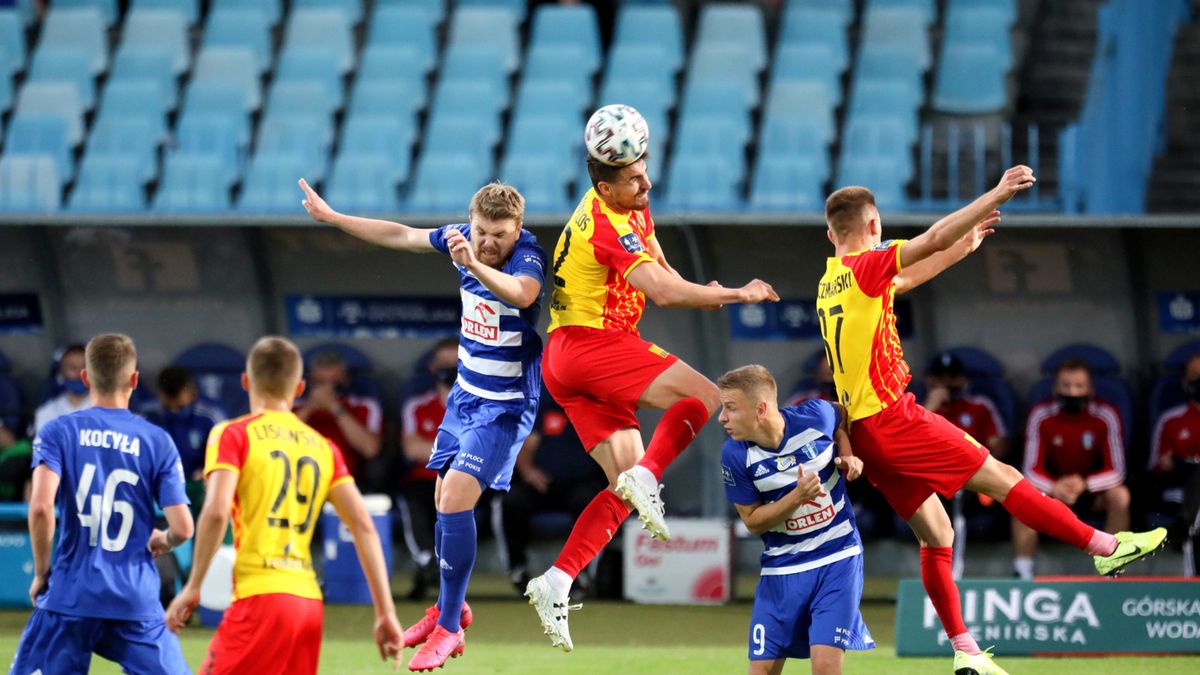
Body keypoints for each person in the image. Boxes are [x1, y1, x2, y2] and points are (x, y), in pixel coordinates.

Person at [816, 169, 1165, 675]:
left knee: (937, 536)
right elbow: (930, 239)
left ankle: (966, 651)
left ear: (831, 234)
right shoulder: (870, 264)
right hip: (895, 417)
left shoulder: (832, 280)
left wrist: (960, 250)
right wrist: (995, 196)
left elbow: (908, 276)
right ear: (875, 225)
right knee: (1005, 480)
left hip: (867, 436)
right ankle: (1106, 546)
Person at [523, 144, 778, 652]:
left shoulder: (629, 207)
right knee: (709, 397)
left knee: (622, 489)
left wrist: (699, 290)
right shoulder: (607, 223)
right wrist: (735, 294)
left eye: (645, 174)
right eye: (635, 180)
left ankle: (557, 579)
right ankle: (648, 477)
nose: (647, 185)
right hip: (593, 343)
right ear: (604, 187)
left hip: (568, 360)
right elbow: (660, 291)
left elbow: (667, 273)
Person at [299, 179, 545, 671]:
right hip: (465, 397)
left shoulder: (526, 257)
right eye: (480, 231)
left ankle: (450, 627)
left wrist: (472, 264)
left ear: (517, 230)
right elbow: (400, 235)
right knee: (439, 497)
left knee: (456, 496)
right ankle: (448, 610)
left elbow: (522, 296)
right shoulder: (461, 239)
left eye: (499, 233)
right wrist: (335, 218)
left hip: (504, 405)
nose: (487, 241)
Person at [164, 336, 403, 673]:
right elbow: (364, 526)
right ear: (300, 386)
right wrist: (385, 611)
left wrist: (193, 586)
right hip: (307, 602)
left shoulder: (233, 434)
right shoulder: (323, 447)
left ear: (246, 381)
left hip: (260, 596)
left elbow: (216, 511)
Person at [10, 333, 194, 674]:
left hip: (70, 594)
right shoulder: (157, 441)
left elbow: (39, 508)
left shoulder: (56, 431)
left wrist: (41, 572)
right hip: (134, 597)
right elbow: (183, 528)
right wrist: (163, 541)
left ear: (86, 377)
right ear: (135, 380)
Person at [718, 365, 873, 675]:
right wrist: (796, 497)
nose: (722, 417)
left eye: (730, 408)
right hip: (781, 569)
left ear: (760, 409)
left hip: (838, 558)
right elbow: (752, 521)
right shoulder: (735, 456)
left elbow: (840, 416)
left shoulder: (815, 415)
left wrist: (848, 453)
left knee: (826, 666)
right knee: (761, 669)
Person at [1015, 360, 1130, 579]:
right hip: (1052, 492)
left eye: (1079, 386)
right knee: (1019, 496)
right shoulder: (1041, 415)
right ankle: (1023, 571)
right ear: (1055, 389)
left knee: (1121, 496)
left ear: (1090, 390)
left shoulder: (1106, 415)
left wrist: (1085, 484)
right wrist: (1054, 487)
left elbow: (1117, 470)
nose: (1072, 391)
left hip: (1093, 492)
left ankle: (1112, 568)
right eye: (1066, 386)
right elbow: (1030, 469)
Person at [500, 391, 608, 595]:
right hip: (543, 484)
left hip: (581, 485)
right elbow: (527, 445)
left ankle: (582, 574)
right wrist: (529, 471)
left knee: (593, 505)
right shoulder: (547, 407)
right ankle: (518, 569)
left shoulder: (597, 409)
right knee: (512, 501)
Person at [397, 342, 457, 600]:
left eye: (456, 365)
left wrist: (432, 448)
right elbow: (411, 449)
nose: (451, 370)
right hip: (425, 480)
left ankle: (452, 574)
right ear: (433, 367)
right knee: (412, 498)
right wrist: (459, 451)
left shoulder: (478, 404)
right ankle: (426, 562)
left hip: (465, 480)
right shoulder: (418, 405)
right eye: (444, 365)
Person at [141, 365, 228, 511]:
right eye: (169, 398)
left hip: (198, 487)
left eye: (177, 398)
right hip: (161, 486)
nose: (174, 405)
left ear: (191, 392)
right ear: (160, 393)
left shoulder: (210, 416)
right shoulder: (148, 415)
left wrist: (208, 469)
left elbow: (225, 451)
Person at [294, 349, 383, 485]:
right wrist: (309, 408)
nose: (327, 389)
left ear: (345, 379)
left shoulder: (362, 405)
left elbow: (370, 449)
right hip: (300, 477)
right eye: (320, 382)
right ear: (310, 380)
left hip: (345, 478)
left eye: (334, 384)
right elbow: (278, 440)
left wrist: (336, 408)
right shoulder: (294, 406)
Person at [1149, 353, 1200, 575]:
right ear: (1185, 382)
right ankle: (1192, 589)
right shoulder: (1171, 419)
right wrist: (1169, 463)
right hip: (1178, 490)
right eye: (1195, 377)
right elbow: (1155, 466)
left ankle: (1186, 524)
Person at [32, 343, 91, 434]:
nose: (80, 373)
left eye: (84, 367)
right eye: (73, 368)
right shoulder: (47, 412)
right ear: (60, 374)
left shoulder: (109, 409)